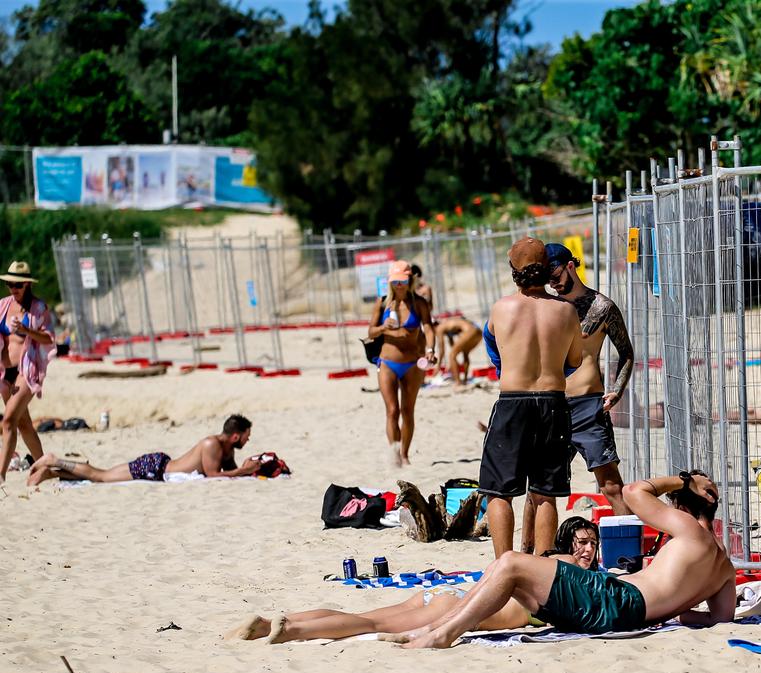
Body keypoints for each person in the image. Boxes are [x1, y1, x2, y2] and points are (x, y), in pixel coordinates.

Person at [382, 471, 735, 649]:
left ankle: (442, 634)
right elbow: (720, 617)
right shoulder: (724, 567)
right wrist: (671, 607)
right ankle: (435, 627)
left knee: (510, 563)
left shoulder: (691, 532)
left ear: (684, 502)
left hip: (615, 601)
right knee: (504, 572)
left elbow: (633, 492)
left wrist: (684, 480)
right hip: (624, 610)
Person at [227, 517, 602, 644]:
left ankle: (272, 623)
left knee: (366, 616)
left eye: (592, 544)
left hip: (447, 597)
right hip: (452, 605)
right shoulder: (564, 568)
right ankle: (291, 630)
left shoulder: (543, 567)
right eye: (581, 542)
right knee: (368, 624)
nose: (587, 551)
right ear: (565, 545)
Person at [478, 237, 583, 558]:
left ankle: (503, 565)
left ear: (514, 271)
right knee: (544, 493)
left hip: (514, 401)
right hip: (553, 402)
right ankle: (542, 564)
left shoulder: (502, 308)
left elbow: (494, 347)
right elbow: (575, 361)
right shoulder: (566, 312)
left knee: (499, 492)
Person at [542, 243, 635, 515]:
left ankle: (630, 555)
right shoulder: (547, 307)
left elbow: (626, 352)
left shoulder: (601, 307)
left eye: (556, 276)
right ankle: (532, 554)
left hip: (587, 405)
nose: (553, 284)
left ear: (570, 265)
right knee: (540, 489)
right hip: (552, 403)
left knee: (610, 486)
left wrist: (617, 391)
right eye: (547, 280)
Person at [27, 414, 260, 486]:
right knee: (101, 475)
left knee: (101, 478)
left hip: (159, 466)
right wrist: (242, 472)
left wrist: (247, 467)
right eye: (247, 438)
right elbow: (212, 475)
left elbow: (231, 471)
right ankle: (54, 459)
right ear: (236, 435)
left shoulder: (228, 450)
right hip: (155, 468)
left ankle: (53, 472)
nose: (247, 442)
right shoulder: (212, 444)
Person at [368, 260, 436, 467]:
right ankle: (394, 453)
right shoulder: (382, 303)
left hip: (412, 363)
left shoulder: (419, 303)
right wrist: (382, 327)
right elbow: (370, 332)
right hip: (387, 362)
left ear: (410, 280)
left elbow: (428, 328)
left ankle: (405, 455)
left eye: (402, 281)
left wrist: (430, 350)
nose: (399, 285)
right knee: (392, 410)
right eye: (395, 281)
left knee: (408, 410)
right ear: (390, 282)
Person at [0, 261, 54, 486]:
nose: (14, 289)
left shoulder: (39, 308)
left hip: (26, 371)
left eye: (18, 284)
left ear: (28, 285)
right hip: (5, 372)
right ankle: (44, 466)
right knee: (23, 425)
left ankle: (0, 475)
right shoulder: (3, 305)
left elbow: (49, 339)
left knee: (8, 420)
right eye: (11, 284)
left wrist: (26, 330)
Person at [434, 316, 481, 385]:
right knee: (465, 353)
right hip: (478, 332)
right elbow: (453, 346)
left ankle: (458, 383)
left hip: (469, 331)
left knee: (451, 355)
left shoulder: (439, 328)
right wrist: (454, 364)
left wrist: (438, 366)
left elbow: (442, 350)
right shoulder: (447, 325)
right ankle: (465, 380)